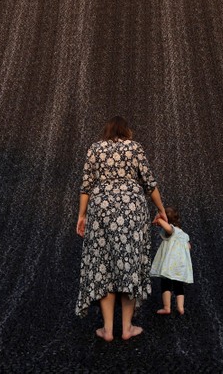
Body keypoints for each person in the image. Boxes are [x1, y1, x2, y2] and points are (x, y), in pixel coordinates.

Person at [76, 116, 167, 341]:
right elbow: (149, 182)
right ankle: (126, 328)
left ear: (106, 131)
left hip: (101, 209)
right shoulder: (135, 148)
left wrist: (81, 215)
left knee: (103, 266)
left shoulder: (95, 149)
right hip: (132, 209)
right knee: (129, 264)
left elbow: (86, 185)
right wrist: (161, 209)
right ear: (126, 131)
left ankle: (108, 330)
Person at [150, 207, 193, 315]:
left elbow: (169, 229)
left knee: (166, 283)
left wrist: (159, 220)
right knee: (179, 286)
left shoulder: (171, 230)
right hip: (181, 265)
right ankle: (180, 308)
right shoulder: (183, 234)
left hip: (170, 264)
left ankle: (167, 307)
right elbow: (189, 246)